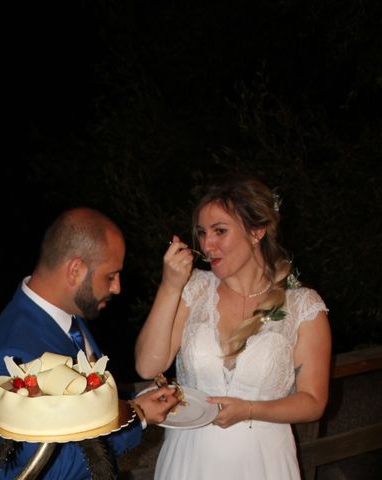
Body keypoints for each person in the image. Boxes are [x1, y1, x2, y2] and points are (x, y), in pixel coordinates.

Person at [135, 175, 332, 479]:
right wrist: (169, 286)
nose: (206, 244)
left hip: (263, 462)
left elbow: (313, 402)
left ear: (257, 232)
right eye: (201, 233)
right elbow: (148, 366)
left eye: (220, 231)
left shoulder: (302, 306)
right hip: (189, 459)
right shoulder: (194, 288)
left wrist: (250, 410)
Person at [0, 207, 178, 480]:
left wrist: (133, 404)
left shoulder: (67, 318)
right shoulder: (13, 354)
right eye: (110, 276)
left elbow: (81, 413)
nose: (117, 287)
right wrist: (138, 418)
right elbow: (45, 469)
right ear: (75, 270)